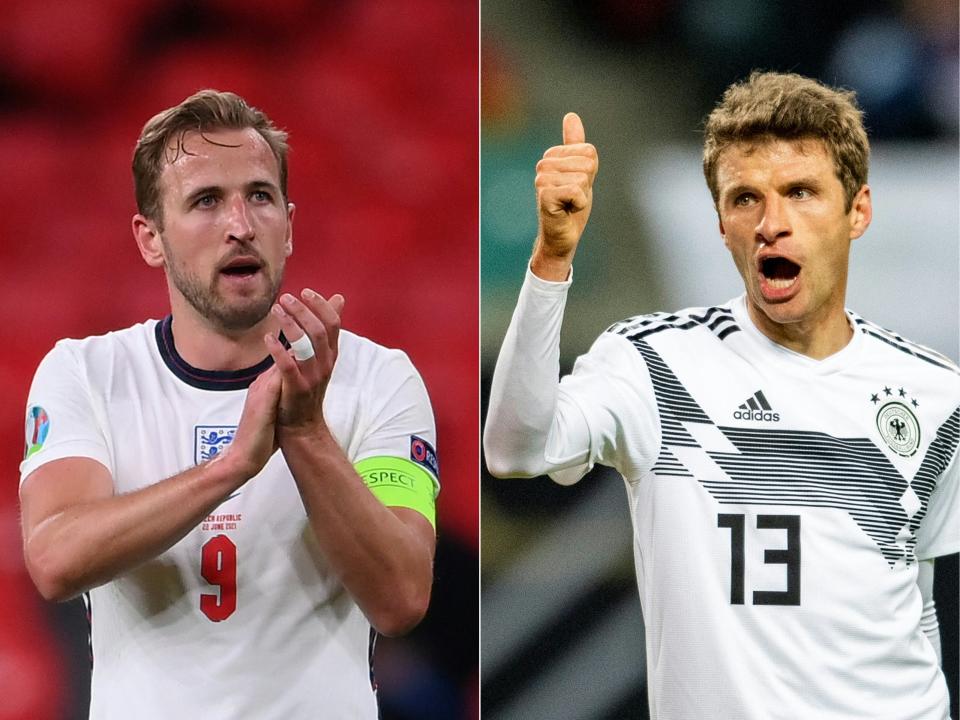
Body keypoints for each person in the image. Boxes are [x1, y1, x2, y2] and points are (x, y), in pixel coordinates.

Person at [484, 71, 958, 719]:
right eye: (744, 199)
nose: (772, 223)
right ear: (721, 224)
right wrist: (551, 261)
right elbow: (515, 450)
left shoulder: (935, 393)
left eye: (801, 192)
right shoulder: (652, 362)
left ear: (858, 211)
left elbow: (921, 602)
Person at [19, 90, 439, 718]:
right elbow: (54, 560)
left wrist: (306, 434)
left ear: (290, 227)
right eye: (206, 201)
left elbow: (402, 597)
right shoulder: (85, 374)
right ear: (151, 238)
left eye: (260, 197)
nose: (241, 225)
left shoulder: (378, 378)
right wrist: (229, 469)